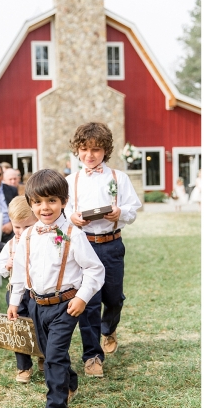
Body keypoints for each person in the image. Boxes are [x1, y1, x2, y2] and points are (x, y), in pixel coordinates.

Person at [8, 169, 104, 408]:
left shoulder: (73, 233)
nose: (44, 207)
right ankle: (70, 383)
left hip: (65, 305)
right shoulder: (28, 235)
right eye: (37, 202)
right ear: (30, 204)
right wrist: (15, 301)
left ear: (63, 201)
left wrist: (83, 296)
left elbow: (95, 269)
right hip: (37, 305)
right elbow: (19, 270)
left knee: (53, 357)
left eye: (51, 200)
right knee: (49, 351)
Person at [65, 122, 141, 378]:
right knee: (88, 303)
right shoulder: (70, 181)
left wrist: (120, 213)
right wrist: (73, 218)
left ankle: (109, 328)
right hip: (84, 246)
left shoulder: (119, 178)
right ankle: (92, 356)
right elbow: (63, 212)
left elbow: (132, 209)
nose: (90, 155)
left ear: (105, 151)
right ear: (77, 150)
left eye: (96, 150)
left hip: (111, 244)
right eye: (84, 149)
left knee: (113, 297)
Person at [0, 196, 42, 383]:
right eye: (17, 227)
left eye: (26, 227)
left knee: (39, 325)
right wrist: (7, 265)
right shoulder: (11, 244)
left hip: (36, 292)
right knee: (18, 327)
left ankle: (43, 356)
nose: (21, 232)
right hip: (15, 292)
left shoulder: (40, 241)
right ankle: (24, 366)